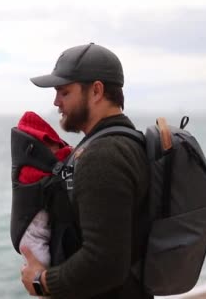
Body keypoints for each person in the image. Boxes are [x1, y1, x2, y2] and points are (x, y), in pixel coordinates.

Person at [20, 43, 151, 298]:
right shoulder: (127, 141)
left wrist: (42, 281)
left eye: (64, 92)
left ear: (96, 91)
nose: (56, 102)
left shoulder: (103, 156)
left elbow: (105, 262)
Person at [15, 111, 72, 268]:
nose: (55, 149)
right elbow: (58, 168)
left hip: (35, 235)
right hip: (31, 238)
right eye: (51, 145)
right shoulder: (29, 169)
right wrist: (69, 151)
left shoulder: (31, 162)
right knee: (42, 266)